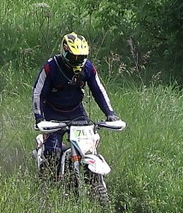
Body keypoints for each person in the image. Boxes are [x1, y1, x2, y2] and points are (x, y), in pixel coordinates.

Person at [33, 33, 120, 172]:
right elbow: (38, 93)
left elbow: (99, 91)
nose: (77, 61)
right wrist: (39, 118)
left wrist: (110, 114)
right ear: (64, 51)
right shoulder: (51, 67)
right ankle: (48, 182)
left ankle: (88, 178)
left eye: (81, 57)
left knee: (88, 148)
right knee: (52, 153)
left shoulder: (88, 68)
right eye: (73, 57)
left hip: (76, 112)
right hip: (52, 113)